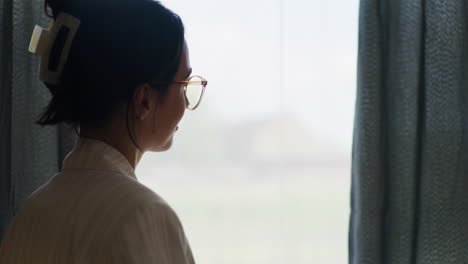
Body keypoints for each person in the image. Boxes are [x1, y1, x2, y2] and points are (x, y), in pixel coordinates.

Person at [0, 0, 207, 263]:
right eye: (183, 84)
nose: (186, 103)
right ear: (144, 100)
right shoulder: (144, 216)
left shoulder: (30, 216)